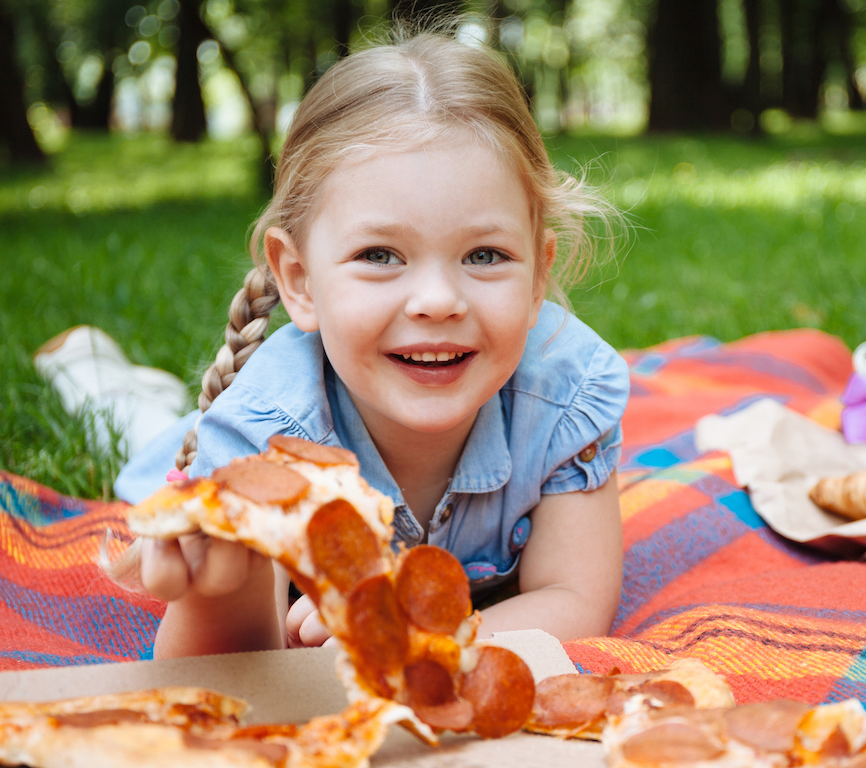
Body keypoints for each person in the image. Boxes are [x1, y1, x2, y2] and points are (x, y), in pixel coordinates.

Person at [114, 31, 628, 658]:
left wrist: (415, 637)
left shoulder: (566, 395)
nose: (438, 300)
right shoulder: (264, 439)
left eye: (485, 255)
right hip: (198, 444)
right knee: (142, 432)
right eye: (379, 255)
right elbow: (225, 666)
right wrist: (223, 583)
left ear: (538, 274)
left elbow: (575, 599)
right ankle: (106, 381)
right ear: (298, 280)